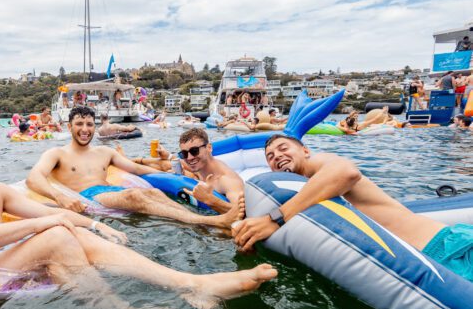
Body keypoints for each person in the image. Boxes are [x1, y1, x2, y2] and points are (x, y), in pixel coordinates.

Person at [0, 108, 276, 305]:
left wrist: (92, 226)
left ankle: (192, 284)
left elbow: (54, 215)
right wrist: (59, 208)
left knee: (75, 226)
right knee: (58, 232)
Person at [233, 134, 473, 281]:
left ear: (305, 151)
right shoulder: (302, 193)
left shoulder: (318, 165)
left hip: (447, 248)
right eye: (270, 156)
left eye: (284, 148)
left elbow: (347, 173)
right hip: (426, 260)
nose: (277, 156)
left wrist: (274, 219)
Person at [26, 106, 244, 229]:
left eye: (89, 124)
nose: (85, 129)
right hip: (86, 196)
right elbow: (34, 178)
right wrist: (60, 197)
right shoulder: (56, 153)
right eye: (79, 124)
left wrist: (169, 173)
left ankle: (201, 225)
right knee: (135, 197)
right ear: (69, 126)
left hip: (109, 191)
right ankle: (211, 222)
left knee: (153, 192)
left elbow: (138, 170)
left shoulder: (105, 153)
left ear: (94, 126)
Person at [177, 129, 245, 214]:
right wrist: (168, 156)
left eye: (194, 151)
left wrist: (209, 199)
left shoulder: (227, 180)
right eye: (184, 153)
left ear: (209, 148)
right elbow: (180, 162)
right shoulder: (200, 166)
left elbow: (242, 213)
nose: (189, 158)